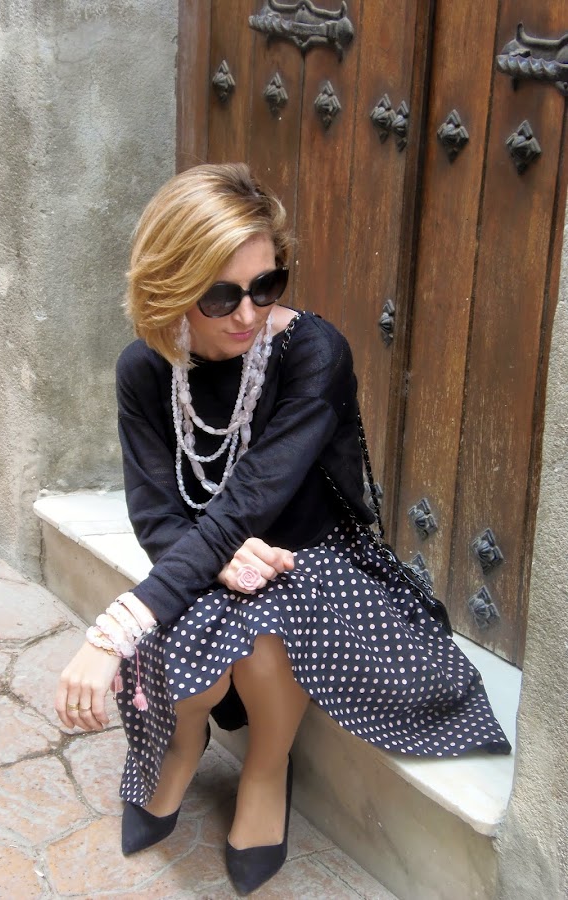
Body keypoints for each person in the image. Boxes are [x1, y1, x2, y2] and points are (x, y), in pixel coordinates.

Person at [55, 163, 510, 896]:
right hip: (208, 551)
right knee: (191, 637)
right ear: (171, 285)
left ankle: (267, 769)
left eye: (266, 285)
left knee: (263, 630)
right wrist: (212, 563)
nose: (248, 313)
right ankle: (181, 743)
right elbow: (156, 515)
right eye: (221, 294)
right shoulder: (144, 369)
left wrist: (113, 632)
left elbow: (250, 501)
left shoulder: (311, 353)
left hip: (315, 558)